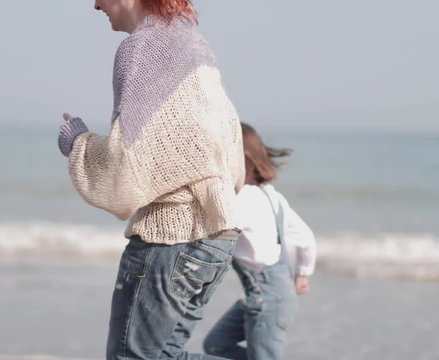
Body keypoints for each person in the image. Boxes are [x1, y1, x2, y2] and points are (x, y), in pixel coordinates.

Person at [56, 0, 245, 359]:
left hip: (170, 239)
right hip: (214, 241)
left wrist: (77, 143)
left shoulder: (140, 48)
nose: (94, 4)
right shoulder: (194, 43)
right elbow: (220, 144)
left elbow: (125, 169)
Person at [203, 123, 317, 360]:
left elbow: (212, 235)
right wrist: (303, 274)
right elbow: (305, 238)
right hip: (267, 294)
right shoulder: (271, 194)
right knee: (216, 345)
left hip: (267, 298)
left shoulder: (242, 198)